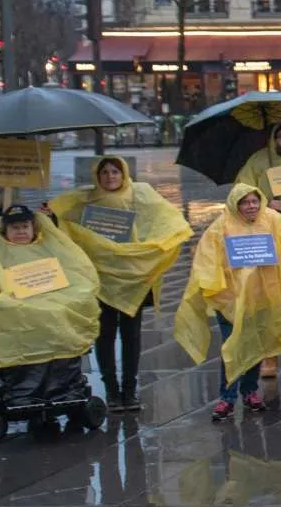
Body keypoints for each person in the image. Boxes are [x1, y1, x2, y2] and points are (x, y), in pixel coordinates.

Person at [48, 155, 191, 412]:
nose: (110, 177)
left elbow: (165, 219)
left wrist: (151, 251)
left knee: (131, 335)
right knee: (104, 334)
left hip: (134, 277)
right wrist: (49, 215)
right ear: (97, 176)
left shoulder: (141, 194)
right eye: (105, 172)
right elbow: (63, 217)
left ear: (123, 173)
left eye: (115, 172)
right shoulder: (86, 198)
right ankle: (112, 390)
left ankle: (130, 389)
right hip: (100, 278)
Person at [175, 184, 281, 421]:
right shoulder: (221, 226)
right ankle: (227, 397)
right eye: (245, 202)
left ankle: (250, 391)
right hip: (231, 299)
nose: (251, 206)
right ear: (235, 205)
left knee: (255, 345)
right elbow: (207, 260)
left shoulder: (272, 219)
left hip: (261, 298)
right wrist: (220, 290)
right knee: (231, 347)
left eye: (254, 201)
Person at [0, 205, 104, 405]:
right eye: (15, 228)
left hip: (53, 305)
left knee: (61, 317)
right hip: (15, 309)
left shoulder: (50, 247)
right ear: (5, 230)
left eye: (25, 226)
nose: (21, 232)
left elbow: (75, 273)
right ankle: (20, 390)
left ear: (33, 228)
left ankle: (63, 387)